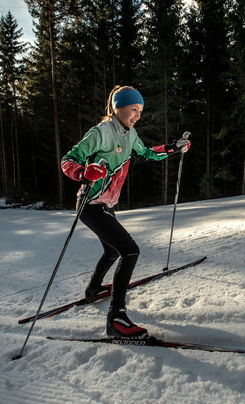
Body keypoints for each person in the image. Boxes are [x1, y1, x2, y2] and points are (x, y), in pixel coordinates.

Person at [61, 85, 190, 339]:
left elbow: (147, 154)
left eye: (140, 110)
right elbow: (68, 160)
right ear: (118, 108)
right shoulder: (101, 133)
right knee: (130, 251)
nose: (137, 115)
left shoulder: (130, 134)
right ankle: (116, 319)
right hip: (90, 205)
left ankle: (93, 290)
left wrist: (174, 148)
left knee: (112, 249)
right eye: (134, 109)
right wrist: (82, 172)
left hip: (106, 206)